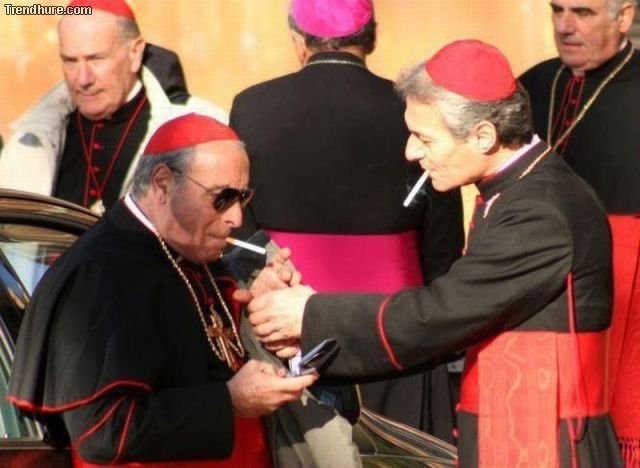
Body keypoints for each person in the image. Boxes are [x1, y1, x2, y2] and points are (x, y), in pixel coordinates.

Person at [245, 40, 623, 467]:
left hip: (546, 441)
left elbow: (443, 312)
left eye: (424, 137)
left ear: (483, 136)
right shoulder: (520, 189)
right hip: (519, 425)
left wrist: (309, 315)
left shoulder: (540, 210)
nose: (410, 152)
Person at [7, 113, 317, 467]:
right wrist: (229, 401)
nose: (236, 218)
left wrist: (260, 308)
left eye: (243, 198)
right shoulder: (102, 273)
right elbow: (104, 433)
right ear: (162, 183)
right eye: (222, 198)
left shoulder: (187, 250)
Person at [229, 0, 464, 438]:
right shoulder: (414, 111)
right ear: (371, 37)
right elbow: (443, 247)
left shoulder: (251, 106)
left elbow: (235, 223)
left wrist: (263, 272)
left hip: (290, 335)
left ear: (299, 41)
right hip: (394, 332)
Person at [519, 0, 640, 461]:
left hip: (623, 275)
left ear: (623, 17)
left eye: (583, 12)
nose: (566, 26)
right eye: (558, 10)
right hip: (536, 271)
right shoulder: (532, 84)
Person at [0, 0, 225, 215]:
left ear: (135, 52)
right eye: (70, 61)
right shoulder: (30, 139)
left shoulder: (197, 131)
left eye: (96, 59)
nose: (83, 79)